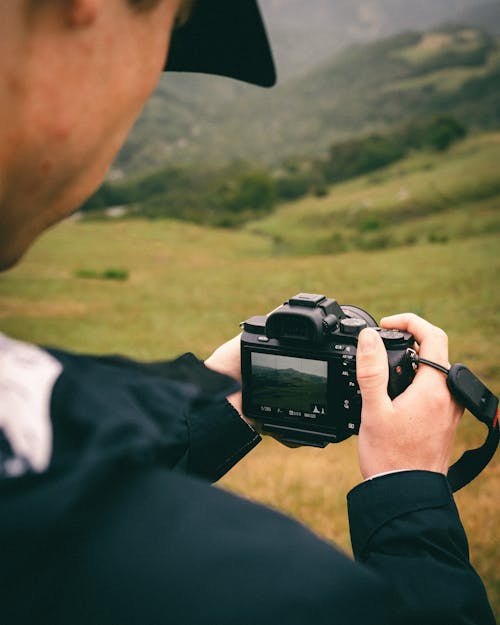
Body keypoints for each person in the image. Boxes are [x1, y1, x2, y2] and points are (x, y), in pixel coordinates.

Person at [0, 1, 495, 624]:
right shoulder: (273, 591)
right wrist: (411, 496)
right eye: (174, 28)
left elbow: (65, 457)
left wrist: (223, 402)